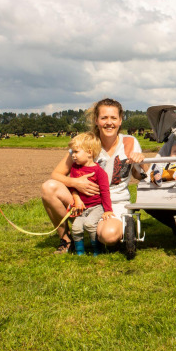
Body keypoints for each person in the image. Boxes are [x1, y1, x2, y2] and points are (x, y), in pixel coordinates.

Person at [41, 98, 145, 253]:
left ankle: (109, 230)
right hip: (85, 202)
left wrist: (142, 162)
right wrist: (76, 183)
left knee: (109, 236)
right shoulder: (85, 143)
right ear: (96, 120)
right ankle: (66, 240)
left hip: (115, 202)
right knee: (48, 187)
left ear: (120, 120)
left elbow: (139, 175)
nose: (109, 122)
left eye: (113, 118)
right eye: (104, 118)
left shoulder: (130, 142)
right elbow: (56, 174)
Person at [67, 132, 115, 256]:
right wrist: (77, 200)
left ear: (89, 152)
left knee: (89, 224)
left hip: (96, 207)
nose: (73, 155)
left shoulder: (99, 172)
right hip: (82, 208)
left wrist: (108, 210)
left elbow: (105, 192)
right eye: (72, 152)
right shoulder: (75, 168)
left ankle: (97, 249)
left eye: (76, 152)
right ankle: (80, 252)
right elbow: (72, 187)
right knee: (76, 228)